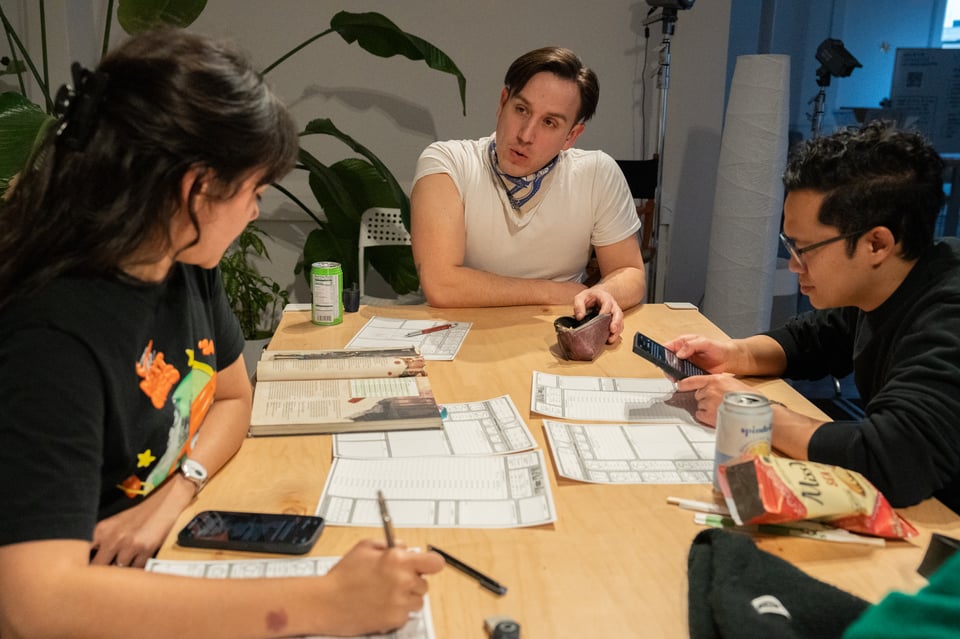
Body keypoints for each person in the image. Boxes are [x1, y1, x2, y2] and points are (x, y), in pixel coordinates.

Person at [0, 29, 442, 638]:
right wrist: (319, 603)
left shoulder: (180, 260)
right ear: (197, 189)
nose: (257, 211)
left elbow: (234, 399)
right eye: (255, 191)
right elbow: (35, 603)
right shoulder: (54, 334)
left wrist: (170, 498)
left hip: (162, 553)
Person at [664, 120, 960, 512]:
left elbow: (893, 460)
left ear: (877, 243)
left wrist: (755, 413)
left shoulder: (949, 312)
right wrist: (734, 354)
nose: (793, 265)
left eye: (804, 248)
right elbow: (817, 337)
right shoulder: (894, 280)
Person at [410, 46, 646, 342]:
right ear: (503, 102)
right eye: (521, 110)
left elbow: (629, 271)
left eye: (549, 122)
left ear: (571, 136)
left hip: (554, 337)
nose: (525, 135)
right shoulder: (447, 162)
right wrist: (556, 291)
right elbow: (442, 284)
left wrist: (603, 293)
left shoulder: (597, 173)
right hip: (459, 335)